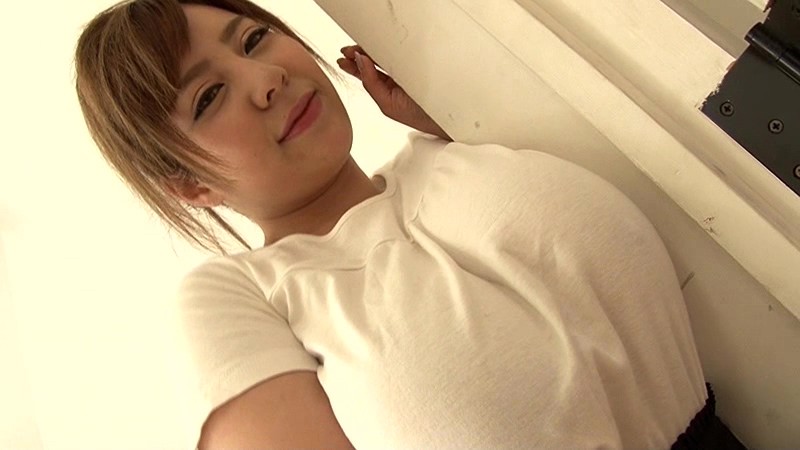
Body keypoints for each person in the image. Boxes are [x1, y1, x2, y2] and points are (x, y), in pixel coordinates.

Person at [74, 0, 746, 448]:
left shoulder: (454, 152)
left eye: (254, 39)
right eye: (210, 95)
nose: (266, 77)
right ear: (188, 184)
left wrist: (456, 113)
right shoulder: (238, 295)